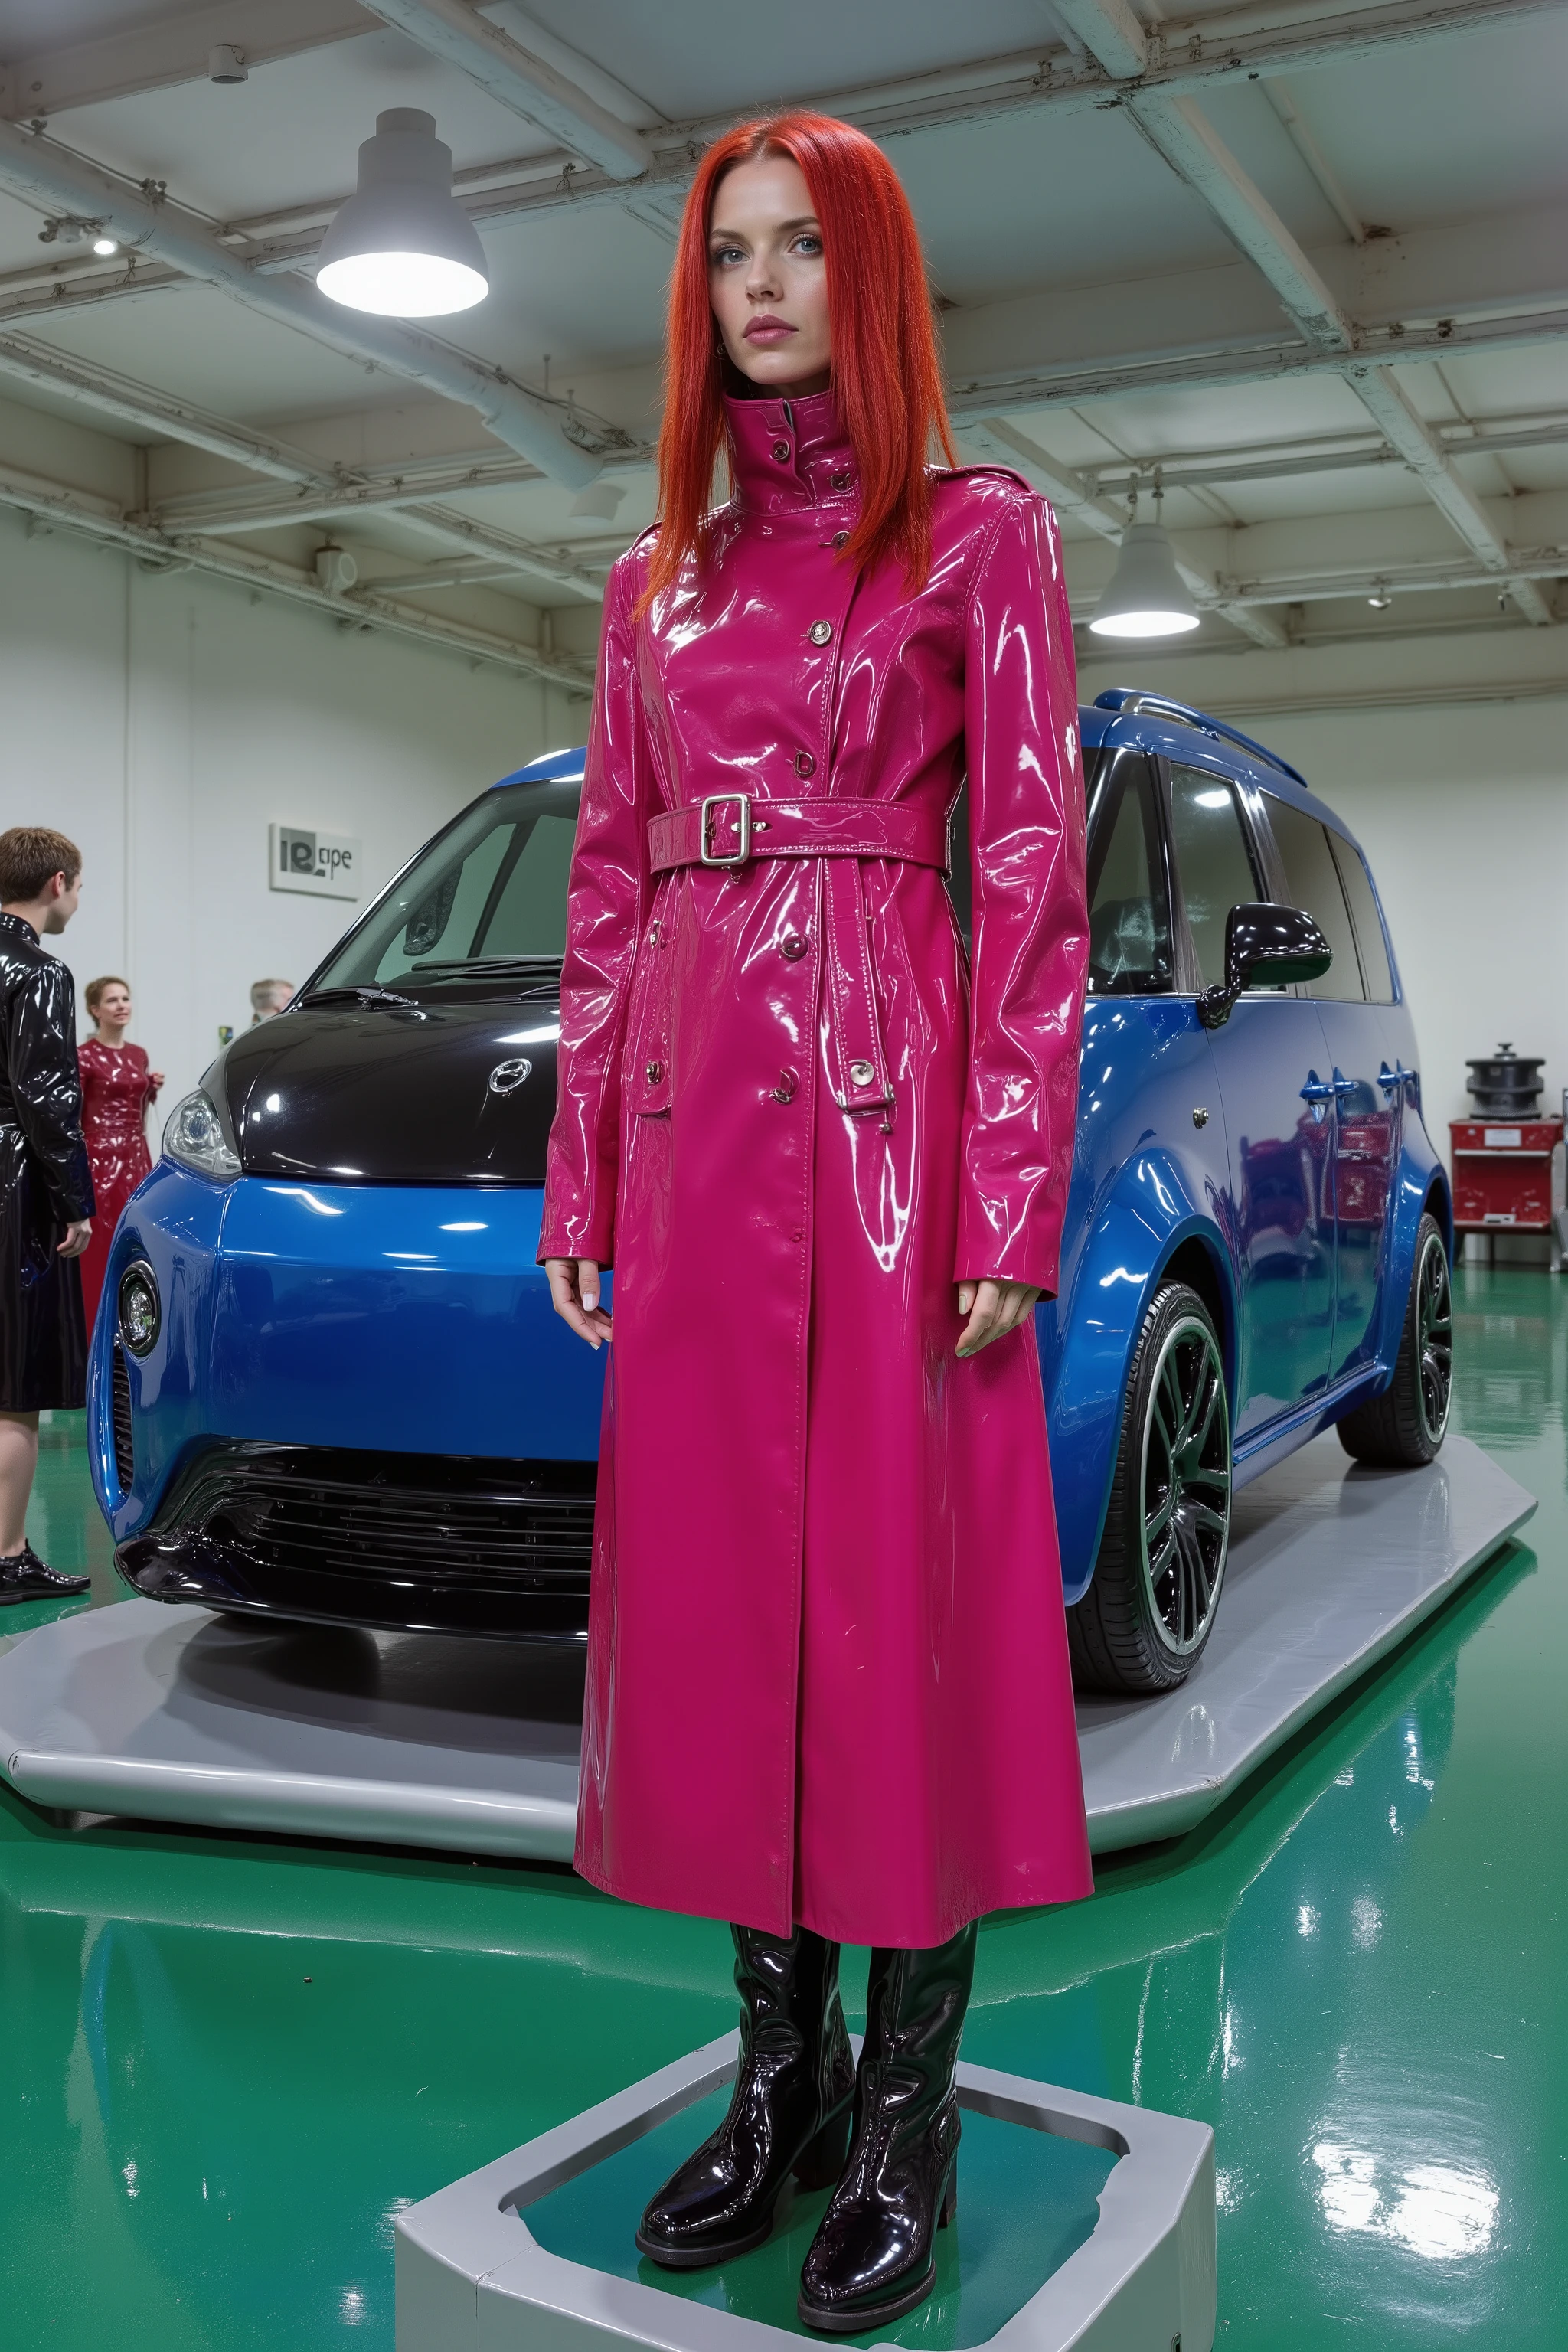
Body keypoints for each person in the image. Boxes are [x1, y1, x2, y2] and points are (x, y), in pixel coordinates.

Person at [541, 114, 1091, 2332]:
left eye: (800, 250)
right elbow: (601, 889)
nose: (760, 288)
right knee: (713, 1626)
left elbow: (1037, 877)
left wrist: (1014, 1188)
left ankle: (908, 2112)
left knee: (896, 1615)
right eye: (728, 254)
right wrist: (586, 1161)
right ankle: (775, 2082)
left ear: (869, 275)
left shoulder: (979, 537)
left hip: (890, 1122)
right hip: (690, 1128)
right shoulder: (642, 584)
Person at [0, 827, 94, 1605]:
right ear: (56, 883)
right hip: (11, 1187)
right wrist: (75, 1202)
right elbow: (47, 1100)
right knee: (13, 1385)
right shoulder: (39, 972)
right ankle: (6, 1555)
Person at [77, 978, 163, 1334]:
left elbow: (135, 1105)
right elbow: (73, 1113)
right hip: (99, 1158)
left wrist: (150, 1089)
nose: (122, 1005)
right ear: (95, 1010)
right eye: (112, 1000)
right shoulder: (82, 1056)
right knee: (100, 1240)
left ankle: (133, 1324)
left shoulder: (138, 1054)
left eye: (125, 998)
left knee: (137, 1237)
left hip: (136, 1153)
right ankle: (94, 1328)